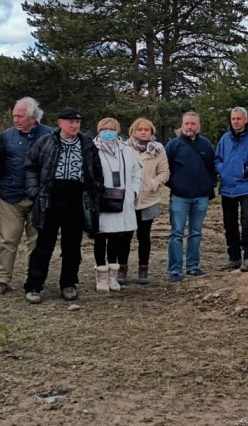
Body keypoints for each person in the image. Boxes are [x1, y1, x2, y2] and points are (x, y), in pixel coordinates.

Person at [23, 107, 103, 303]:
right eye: (70, 122)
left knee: (72, 246)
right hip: (50, 199)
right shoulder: (46, 141)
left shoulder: (87, 144)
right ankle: (34, 286)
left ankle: (68, 284)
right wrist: (34, 192)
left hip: (76, 200)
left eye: (77, 122)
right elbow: (30, 166)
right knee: (43, 245)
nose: (74, 125)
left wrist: (94, 193)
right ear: (60, 123)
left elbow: (97, 172)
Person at [0, 97, 52, 294]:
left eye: (20, 116)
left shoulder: (50, 135)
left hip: (39, 197)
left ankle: (32, 280)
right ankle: (2, 279)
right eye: (14, 115)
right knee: (8, 240)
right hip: (9, 196)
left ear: (33, 117)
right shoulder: (6, 136)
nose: (15, 119)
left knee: (36, 242)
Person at [214, 107, 248, 272]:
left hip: (245, 188)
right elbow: (217, 158)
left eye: (239, 119)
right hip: (227, 188)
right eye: (233, 119)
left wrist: (247, 171)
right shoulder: (225, 139)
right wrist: (222, 169)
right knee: (229, 224)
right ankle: (234, 258)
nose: (236, 122)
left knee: (247, 223)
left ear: (246, 120)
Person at [92, 118, 142, 294]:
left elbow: (137, 173)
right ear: (98, 131)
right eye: (104, 129)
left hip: (122, 201)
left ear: (118, 131)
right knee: (100, 237)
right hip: (101, 201)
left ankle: (113, 276)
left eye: (112, 129)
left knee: (115, 237)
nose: (108, 132)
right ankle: (101, 276)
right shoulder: (92, 150)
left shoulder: (126, 151)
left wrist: (134, 192)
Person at [165, 111, 217, 280]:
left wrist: (208, 185)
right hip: (179, 197)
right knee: (177, 234)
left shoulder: (205, 145)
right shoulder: (173, 145)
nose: (189, 127)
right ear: (182, 125)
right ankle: (175, 270)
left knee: (196, 233)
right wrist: (175, 184)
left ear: (198, 125)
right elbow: (165, 169)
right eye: (186, 123)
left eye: (193, 123)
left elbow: (212, 167)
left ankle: (193, 266)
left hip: (200, 197)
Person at [126, 117, 170, 284]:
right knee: (125, 236)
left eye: (147, 129)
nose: (143, 132)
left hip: (148, 199)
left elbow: (164, 172)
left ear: (151, 132)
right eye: (140, 129)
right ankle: (122, 269)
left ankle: (143, 269)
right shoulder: (125, 148)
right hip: (129, 199)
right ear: (133, 131)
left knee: (144, 236)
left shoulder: (158, 150)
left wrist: (154, 183)